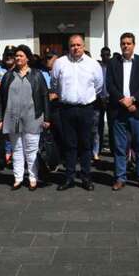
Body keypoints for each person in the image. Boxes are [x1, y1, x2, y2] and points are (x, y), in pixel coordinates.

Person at [51, 35, 104, 191]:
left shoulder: (93, 64)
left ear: (83, 46)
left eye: (78, 45)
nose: (75, 48)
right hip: (66, 108)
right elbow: (55, 84)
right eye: (72, 45)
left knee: (86, 144)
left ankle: (86, 177)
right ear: (68, 47)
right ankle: (69, 177)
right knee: (69, 145)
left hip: (86, 109)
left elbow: (98, 86)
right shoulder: (60, 63)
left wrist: (85, 97)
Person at [0, 45, 50, 191]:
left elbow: (44, 96)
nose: (17, 58)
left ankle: (33, 178)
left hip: (32, 117)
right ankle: (18, 178)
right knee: (16, 149)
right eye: (16, 56)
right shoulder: (8, 76)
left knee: (31, 150)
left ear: (27, 58)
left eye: (21, 55)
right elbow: (0, 99)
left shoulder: (37, 75)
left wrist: (47, 117)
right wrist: (0, 119)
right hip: (12, 117)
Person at [106, 33, 139, 191]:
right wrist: (122, 100)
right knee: (119, 147)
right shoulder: (113, 63)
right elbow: (110, 85)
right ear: (120, 45)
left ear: (134, 45)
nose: (126, 46)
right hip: (119, 111)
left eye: (128, 43)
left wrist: (133, 100)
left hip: (137, 110)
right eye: (123, 43)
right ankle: (120, 177)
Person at [93, 47, 112, 161]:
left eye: (107, 55)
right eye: (103, 55)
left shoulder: (113, 67)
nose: (105, 57)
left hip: (110, 101)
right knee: (97, 127)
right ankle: (96, 150)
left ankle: (113, 149)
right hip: (98, 101)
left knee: (112, 126)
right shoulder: (97, 67)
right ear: (101, 55)